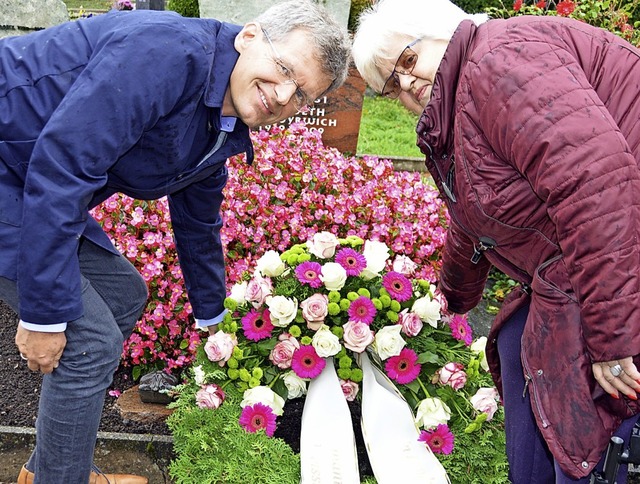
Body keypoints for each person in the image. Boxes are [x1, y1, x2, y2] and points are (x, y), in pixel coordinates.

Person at [0, 1, 350, 482]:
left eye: (302, 96)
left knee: (125, 295)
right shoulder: (167, 55)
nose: (284, 95)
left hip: (30, 180)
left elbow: (197, 221)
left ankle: (51, 471)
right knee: (91, 340)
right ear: (249, 37)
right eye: (285, 69)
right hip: (20, 171)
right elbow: (63, 166)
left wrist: (215, 320)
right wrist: (42, 315)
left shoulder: (222, 119)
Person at [353, 0, 640, 482]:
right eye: (391, 87)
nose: (406, 85)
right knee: (514, 337)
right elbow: (475, 210)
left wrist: (614, 337)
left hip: (619, 250)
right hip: (577, 259)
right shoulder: (464, 99)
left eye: (405, 62)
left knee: (587, 391)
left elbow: (596, 185)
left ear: (441, 32)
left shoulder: (500, 60)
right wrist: (451, 297)